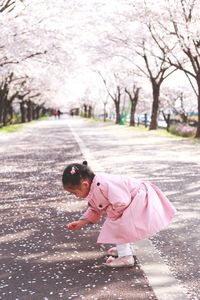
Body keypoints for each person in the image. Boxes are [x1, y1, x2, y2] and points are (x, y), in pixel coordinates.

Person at [63, 161, 176, 268]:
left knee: (116, 222)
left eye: (75, 193)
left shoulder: (103, 184)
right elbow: (94, 208)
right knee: (116, 221)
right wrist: (81, 222)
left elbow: (122, 202)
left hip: (138, 199)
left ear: (85, 184)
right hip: (131, 201)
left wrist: (113, 216)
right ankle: (124, 248)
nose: (75, 196)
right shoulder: (93, 189)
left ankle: (125, 256)